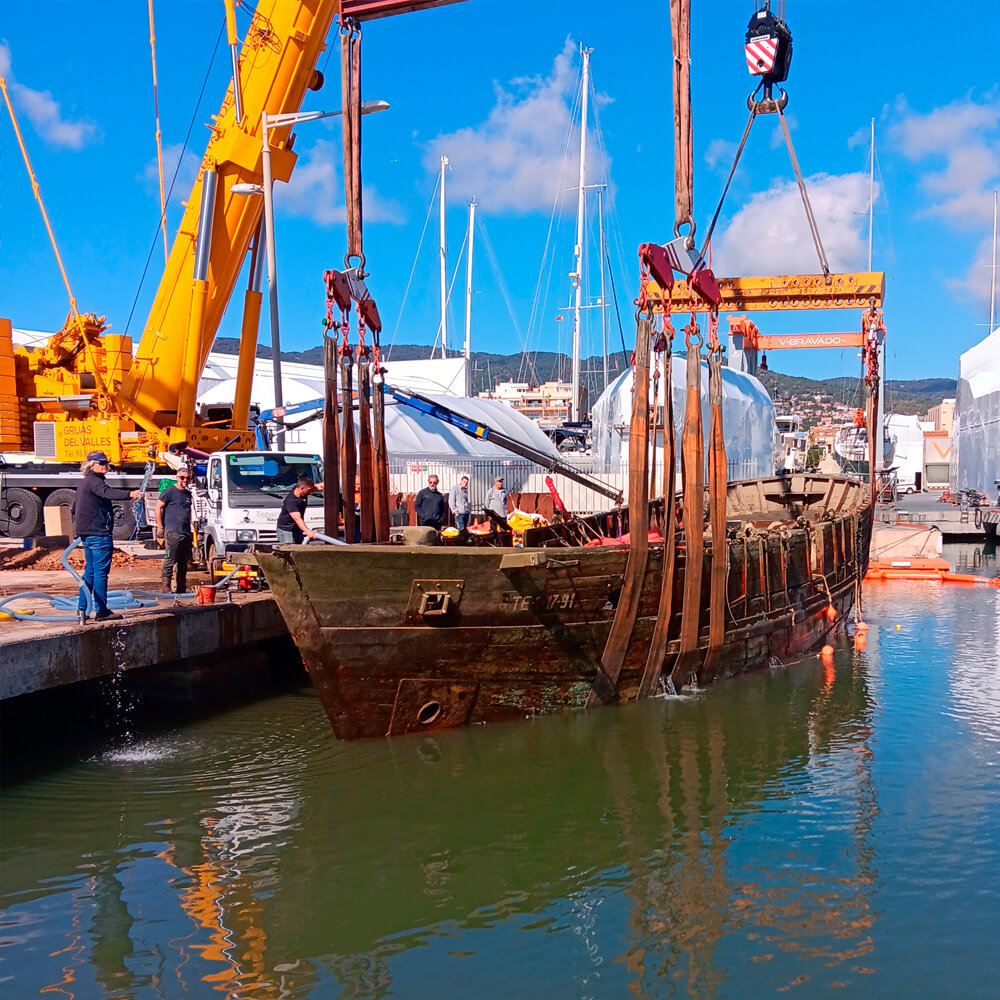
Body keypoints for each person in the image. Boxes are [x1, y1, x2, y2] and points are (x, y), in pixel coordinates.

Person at [73, 451, 141, 622]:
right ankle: (101, 611)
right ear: (91, 465)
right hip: (98, 534)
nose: (105, 466)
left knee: (90, 572)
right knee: (100, 573)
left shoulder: (85, 483)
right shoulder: (95, 482)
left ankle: (82, 609)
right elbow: (107, 492)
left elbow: (73, 508)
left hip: (87, 534)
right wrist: (129, 494)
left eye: (106, 463)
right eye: (101, 463)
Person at [155, 468, 193, 593]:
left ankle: (181, 587)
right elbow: (158, 507)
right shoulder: (170, 491)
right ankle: (166, 588)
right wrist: (160, 526)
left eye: (187, 478)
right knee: (170, 559)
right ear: (177, 478)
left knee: (183, 561)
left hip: (185, 532)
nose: (185, 480)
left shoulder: (188, 494)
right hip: (172, 531)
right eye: (182, 477)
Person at [276, 476, 322, 544]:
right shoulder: (291, 501)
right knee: (290, 549)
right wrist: (308, 532)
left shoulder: (303, 491)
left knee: (300, 547)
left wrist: (333, 482)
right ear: (302, 488)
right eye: (309, 490)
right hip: (286, 530)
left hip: (297, 529)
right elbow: (297, 518)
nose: (310, 492)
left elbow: (319, 486)